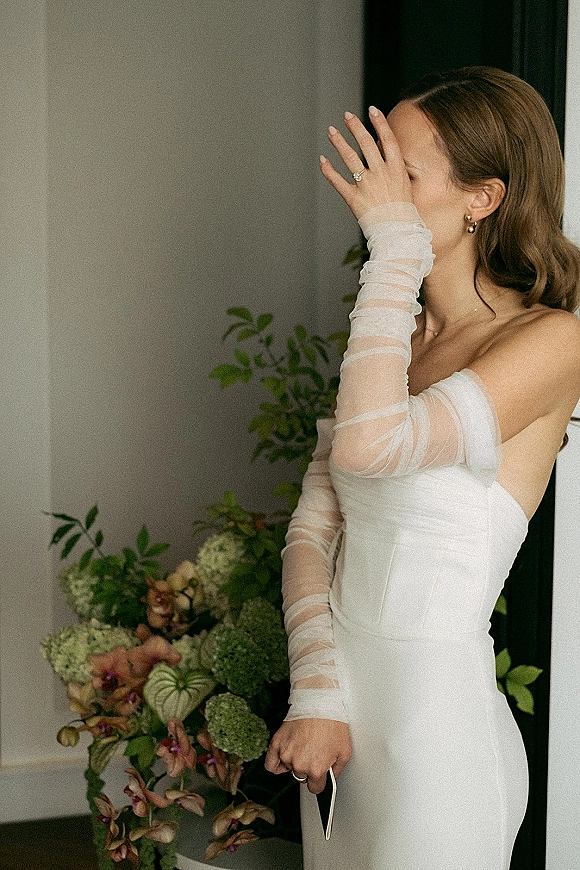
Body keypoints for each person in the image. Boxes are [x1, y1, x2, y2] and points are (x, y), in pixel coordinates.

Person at [264, 67, 580, 870]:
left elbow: (374, 448)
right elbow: (310, 534)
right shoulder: (388, 342)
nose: (373, 191)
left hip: (440, 748)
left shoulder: (550, 342)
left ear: (483, 198)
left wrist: (394, 249)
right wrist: (318, 695)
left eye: (400, 173)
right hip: (337, 740)